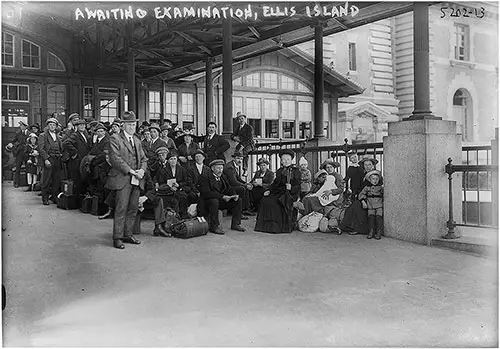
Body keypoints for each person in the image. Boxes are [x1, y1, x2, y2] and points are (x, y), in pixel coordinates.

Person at [105, 111, 147, 250]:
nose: (132, 127)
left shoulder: (137, 140)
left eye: (134, 124)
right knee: (121, 208)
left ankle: (127, 234)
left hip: (136, 178)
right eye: (129, 124)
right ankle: (117, 237)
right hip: (123, 178)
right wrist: (130, 171)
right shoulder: (115, 138)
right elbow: (115, 159)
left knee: (133, 208)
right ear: (123, 125)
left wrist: (141, 170)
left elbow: (144, 159)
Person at [254, 149, 301, 234]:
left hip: (289, 194)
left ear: (291, 160)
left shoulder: (296, 171)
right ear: (281, 161)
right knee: (265, 200)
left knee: (274, 203)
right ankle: (265, 227)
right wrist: (269, 190)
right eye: (283, 160)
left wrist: (291, 188)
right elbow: (275, 183)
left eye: (288, 159)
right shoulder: (279, 171)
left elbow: (298, 186)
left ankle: (277, 227)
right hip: (278, 192)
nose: (285, 161)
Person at [198, 159, 245, 235]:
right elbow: (206, 193)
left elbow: (228, 188)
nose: (220, 170)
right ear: (212, 169)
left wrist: (233, 195)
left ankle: (236, 224)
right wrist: (222, 196)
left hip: (219, 200)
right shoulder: (205, 177)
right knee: (214, 201)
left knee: (238, 200)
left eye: (221, 168)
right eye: (218, 168)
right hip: (206, 203)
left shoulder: (223, 176)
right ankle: (214, 226)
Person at [339, 156, 380, 235]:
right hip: (364, 196)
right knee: (351, 207)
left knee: (357, 206)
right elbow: (361, 187)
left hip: (373, 198)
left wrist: (363, 200)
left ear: (373, 165)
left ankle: (358, 229)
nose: (367, 167)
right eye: (365, 165)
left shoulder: (375, 175)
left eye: (369, 165)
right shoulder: (363, 174)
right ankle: (347, 227)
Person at [154, 149, 196, 219]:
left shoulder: (182, 169)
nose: (173, 161)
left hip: (179, 189)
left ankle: (183, 216)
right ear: (168, 160)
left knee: (183, 196)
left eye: (174, 159)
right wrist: (169, 187)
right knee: (171, 199)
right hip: (167, 191)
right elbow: (161, 182)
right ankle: (172, 217)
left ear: (177, 160)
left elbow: (186, 181)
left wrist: (179, 185)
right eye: (171, 159)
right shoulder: (163, 171)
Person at [134, 169, 171, 238]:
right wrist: (136, 199)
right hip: (131, 200)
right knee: (134, 231)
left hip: (143, 199)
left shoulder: (146, 173)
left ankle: (158, 226)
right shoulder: (127, 172)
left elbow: (152, 189)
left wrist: (145, 197)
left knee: (158, 200)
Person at [38, 117, 64, 205]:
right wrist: (46, 159)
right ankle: (45, 198)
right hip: (49, 159)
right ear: (48, 126)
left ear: (56, 126)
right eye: (50, 125)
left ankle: (54, 197)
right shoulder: (43, 136)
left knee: (56, 180)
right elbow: (41, 149)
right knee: (46, 179)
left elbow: (61, 148)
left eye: (54, 125)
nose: (52, 126)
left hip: (57, 160)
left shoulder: (58, 136)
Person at [64, 118, 91, 198]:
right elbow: (66, 143)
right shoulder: (75, 135)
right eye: (80, 125)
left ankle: (81, 199)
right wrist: (75, 152)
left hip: (83, 160)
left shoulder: (85, 134)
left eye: (83, 125)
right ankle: (76, 200)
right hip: (77, 161)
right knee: (77, 180)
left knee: (82, 180)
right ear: (77, 127)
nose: (82, 126)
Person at [223, 150, 255, 216]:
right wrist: (245, 186)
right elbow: (233, 182)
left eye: (241, 159)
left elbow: (238, 179)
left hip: (231, 186)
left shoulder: (233, 166)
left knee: (245, 187)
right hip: (227, 188)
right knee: (242, 189)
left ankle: (245, 209)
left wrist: (246, 183)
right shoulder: (230, 167)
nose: (240, 160)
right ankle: (239, 212)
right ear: (234, 158)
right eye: (238, 158)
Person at [358, 170, 384, 240]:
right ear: (369, 180)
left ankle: (378, 232)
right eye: (373, 179)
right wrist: (363, 201)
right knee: (371, 218)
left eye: (376, 179)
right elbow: (361, 194)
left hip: (379, 205)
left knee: (379, 218)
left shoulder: (380, 188)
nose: (375, 181)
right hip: (370, 205)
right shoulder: (367, 187)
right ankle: (371, 231)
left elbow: (385, 194)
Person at [9, 120, 29, 188]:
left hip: (27, 153)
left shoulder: (29, 133)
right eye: (20, 125)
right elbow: (13, 140)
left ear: (25, 126)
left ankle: (27, 183)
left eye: (22, 125)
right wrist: (11, 144)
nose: (21, 126)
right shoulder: (18, 133)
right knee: (18, 167)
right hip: (20, 152)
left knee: (28, 168)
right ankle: (16, 183)